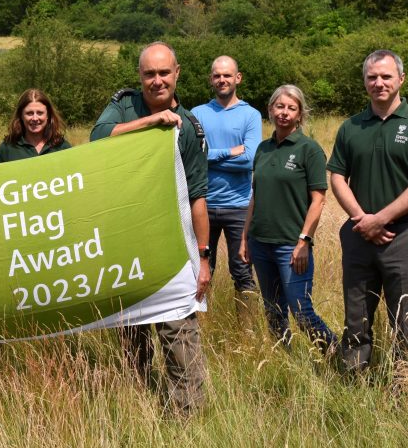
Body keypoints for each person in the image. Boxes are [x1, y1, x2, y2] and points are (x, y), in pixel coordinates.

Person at [90, 41, 210, 413]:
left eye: (163, 73)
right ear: (139, 76)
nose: (156, 81)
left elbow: (198, 196)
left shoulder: (191, 126)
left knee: (178, 330)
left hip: (171, 242)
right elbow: (97, 139)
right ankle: (138, 402)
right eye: (149, 74)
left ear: (177, 74)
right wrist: (151, 122)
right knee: (130, 331)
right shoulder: (125, 105)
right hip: (126, 240)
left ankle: (188, 413)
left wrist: (204, 259)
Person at [328, 50, 408, 375]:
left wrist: (381, 219)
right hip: (358, 237)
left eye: (386, 76)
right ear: (364, 82)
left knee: (406, 323)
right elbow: (337, 176)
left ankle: (402, 392)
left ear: (400, 79)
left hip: (405, 238)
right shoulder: (351, 127)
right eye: (372, 77)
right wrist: (363, 219)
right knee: (356, 320)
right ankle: (354, 385)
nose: (379, 83)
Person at [238, 85, 336, 353]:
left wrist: (304, 240)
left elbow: (318, 200)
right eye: (279, 106)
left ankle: (337, 355)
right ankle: (285, 361)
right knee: (273, 311)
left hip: (291, 247)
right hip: (260, 243)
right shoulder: (262, 149)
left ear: (300, 114)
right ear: (270, 110)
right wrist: (245, 238)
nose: (284, 113)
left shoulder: (310, 150)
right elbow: (255, 197)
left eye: (291, 108)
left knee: (301, 312)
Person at [191, 57, 261, 320]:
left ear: (238, 78)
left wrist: (211, 157)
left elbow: (250, 160)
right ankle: (201, 329)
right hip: (202, 205)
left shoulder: (250, 115)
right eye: (217, 75)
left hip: (240, 206)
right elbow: (194, 157)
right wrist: (230, 151)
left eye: (227, 75)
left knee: (242, 271)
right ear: (211, 79)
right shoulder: (197, 114)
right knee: (201, 270)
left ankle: (247, 335)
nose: (222, 80)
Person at [0, 89, 71, 163]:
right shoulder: (6, 150)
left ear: (48, 115)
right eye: (29, 113)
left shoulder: (62, 147)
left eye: (40, 113)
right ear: (21, 116)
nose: (35, 118)